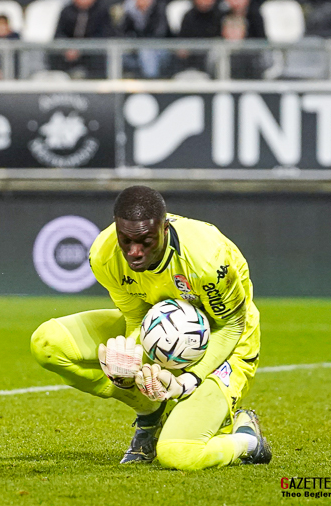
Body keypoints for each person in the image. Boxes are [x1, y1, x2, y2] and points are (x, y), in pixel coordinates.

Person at [30, 185, 269, 470]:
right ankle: (149, 411)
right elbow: (135, 316)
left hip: (226, 345)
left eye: (145, 241)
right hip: (158, 333)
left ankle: (247, 439)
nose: (134, 252)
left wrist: (186, 382)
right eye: (126, 240)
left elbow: (231, 325)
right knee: (47, 343)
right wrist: (127, 364)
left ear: (165, 229)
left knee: (179, 454)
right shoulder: (104, 255)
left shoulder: (207, 259)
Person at [53, 0, 113, 78]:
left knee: (99, 58)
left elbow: (104, 35)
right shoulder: (67, 11)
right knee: (54, 56)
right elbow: (59, 33)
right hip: (69, 52)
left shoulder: (102, 11)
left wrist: (82, 49)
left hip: (92, 53)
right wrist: (67, 48)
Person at [119, 0, 169, 78]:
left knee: (146, 53)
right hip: (136, 49)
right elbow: (122, 33)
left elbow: (159, 33)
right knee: (119, 53)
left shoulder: (159, 9)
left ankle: (150, 85)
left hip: (160, 49)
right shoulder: (130, 12)